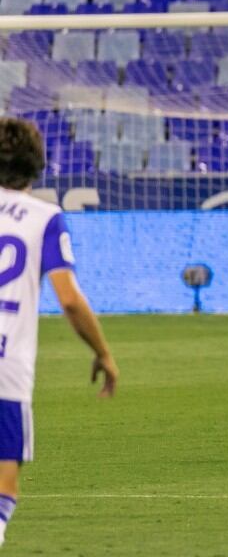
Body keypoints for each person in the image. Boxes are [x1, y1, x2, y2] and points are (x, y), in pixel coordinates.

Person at [0, 118, 118, 546]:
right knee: (4, 487)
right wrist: (103, 352)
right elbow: (68, 299)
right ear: (38, 165)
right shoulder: (45, 218)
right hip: (6, 368)